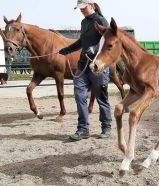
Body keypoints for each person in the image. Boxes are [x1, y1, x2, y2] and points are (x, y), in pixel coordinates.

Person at [59, 0, 112, 141]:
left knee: (101, 97)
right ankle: (83, 129)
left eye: (84, 7)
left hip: (98, 65)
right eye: (80, 8)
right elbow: (82, 42)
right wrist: (67, 50)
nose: (82, 10)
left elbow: (108, 40)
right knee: (79, 95)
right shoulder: (84, 23)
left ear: (92, 6)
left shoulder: (101, 20)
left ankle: (106, 127)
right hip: (83, 64)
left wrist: (95, 48)